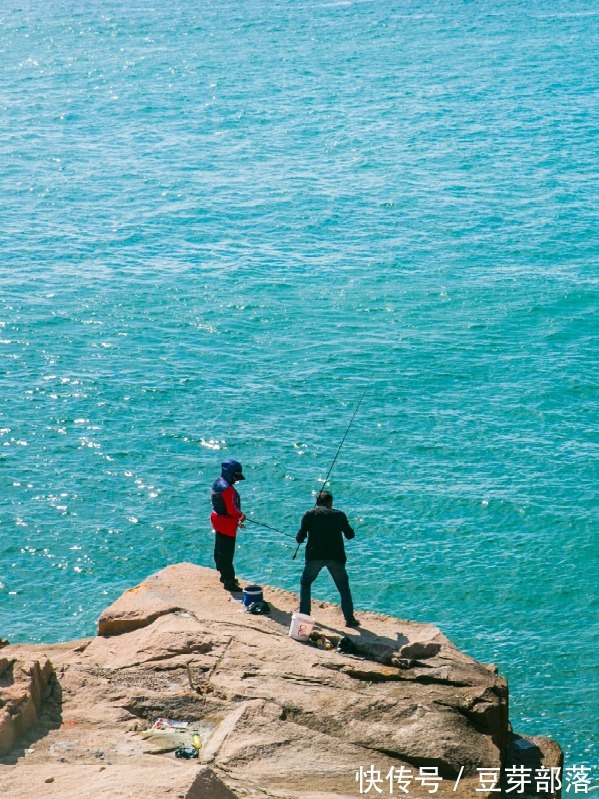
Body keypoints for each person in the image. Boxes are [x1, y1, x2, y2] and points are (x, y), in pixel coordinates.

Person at [296, 491, 359, 627]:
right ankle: (349, 619)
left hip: (315, 556)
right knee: (343, 588)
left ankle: (304, 616)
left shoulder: (309, 514)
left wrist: (302, 538)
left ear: (317, 502)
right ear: (330, 503)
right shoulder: (339, 515)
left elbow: (300, 537)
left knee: (305, 583)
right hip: (335, 557)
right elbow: (350, 534)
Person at [211, 459, 246, 591]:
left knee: (219, 549)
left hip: (217, 519)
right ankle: (229, 581)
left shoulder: (217, 483)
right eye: (235, 476)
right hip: (227, 524)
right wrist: (241, 516)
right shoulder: (228, 490)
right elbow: (231, 510)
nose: (236, 480)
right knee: (227, 553)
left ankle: (222, 574)